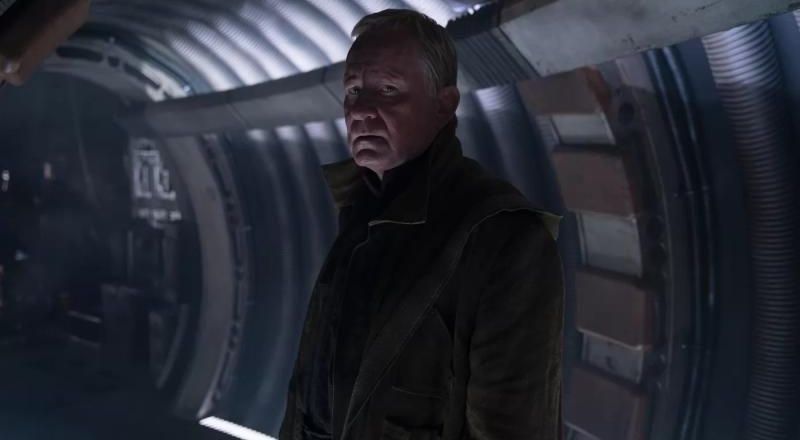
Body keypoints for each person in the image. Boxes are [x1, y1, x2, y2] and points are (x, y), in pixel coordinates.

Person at [280, 9, 564, 440]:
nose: (362, 110)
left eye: (388, 90)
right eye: (354, 90)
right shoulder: (360, 212)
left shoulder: (504, 238)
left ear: (444, 104)